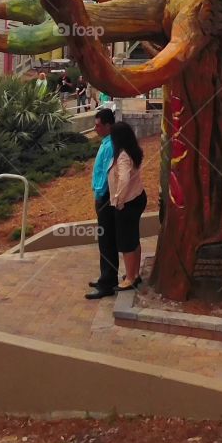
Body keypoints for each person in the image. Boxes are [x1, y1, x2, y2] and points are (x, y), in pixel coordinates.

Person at [109, 121, 148, 291]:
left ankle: (130, 278)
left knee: (126, 242)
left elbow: (124, 179)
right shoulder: (133, 151)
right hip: (138, 197)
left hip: (128, 202)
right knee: (133, 238)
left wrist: (118, 200)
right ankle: (135, 274)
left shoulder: (123, 155)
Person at [85, 108, 118, 300]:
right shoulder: (106, 142)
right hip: (102, 196)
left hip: (105, 197)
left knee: (107, 241)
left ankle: (107, 282)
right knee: (104, 240)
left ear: (108, 125)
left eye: (98, 125)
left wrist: (99, 195)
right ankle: (105, 276)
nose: (95, 128)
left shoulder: (110, 145)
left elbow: (107, 175)